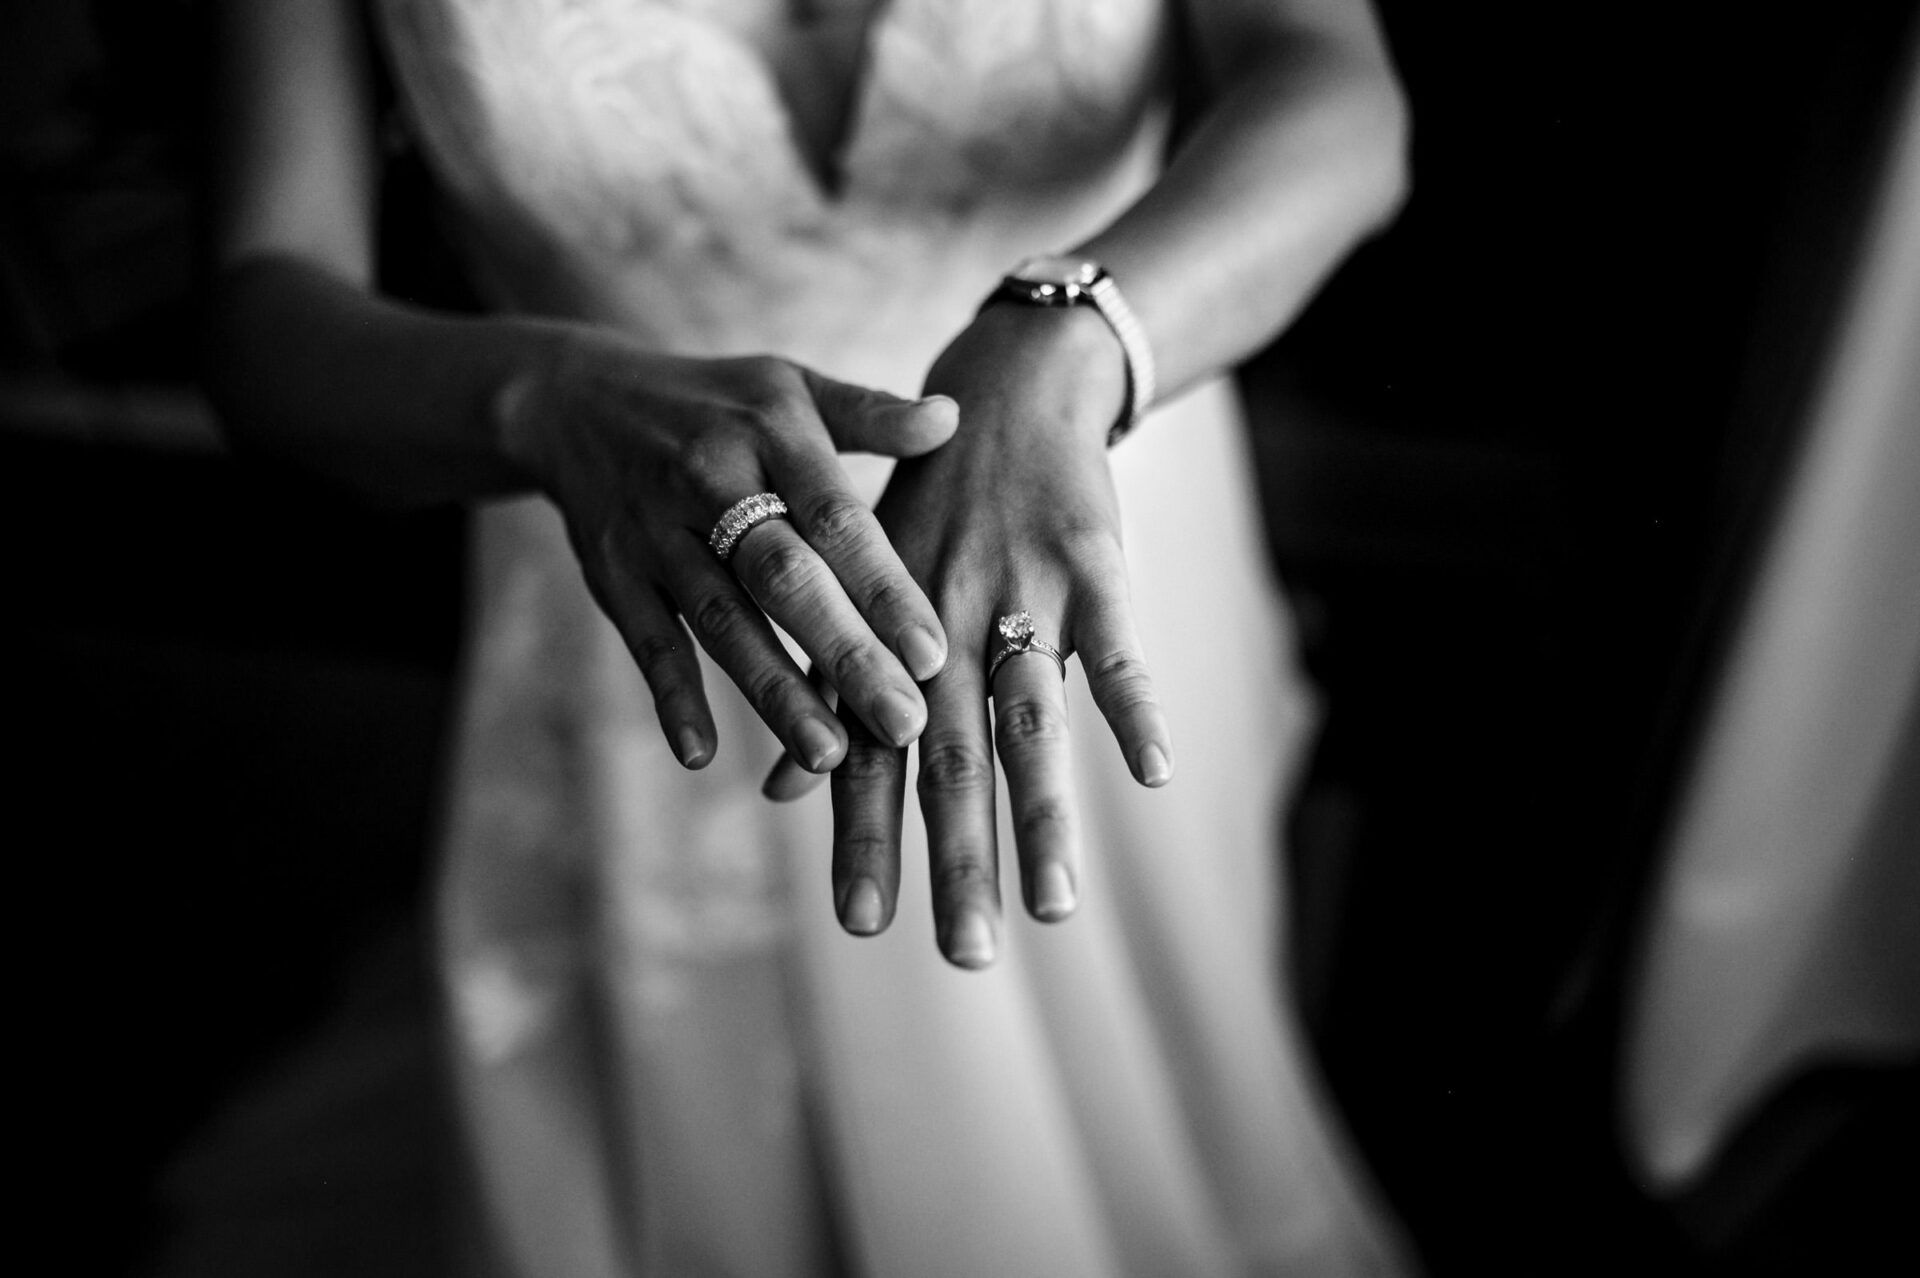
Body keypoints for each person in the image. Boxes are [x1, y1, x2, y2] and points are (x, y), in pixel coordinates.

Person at [208, 0, 1412, 1273]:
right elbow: (260, 316)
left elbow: (1334, 86)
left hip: (1086, 524)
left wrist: (1076, 337)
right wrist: (543, 399)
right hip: (655, 580)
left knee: (1156, 1112)